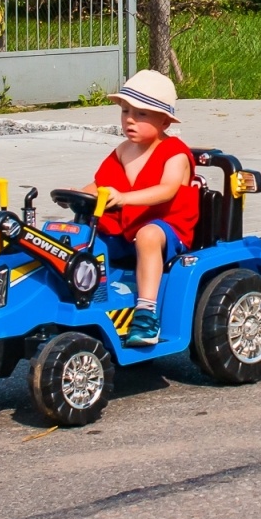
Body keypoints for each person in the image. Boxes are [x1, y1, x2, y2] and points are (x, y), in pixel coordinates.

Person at [81, 69, 197, 347]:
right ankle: (87, 297)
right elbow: (100, 184)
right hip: (127, 226)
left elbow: (167, 190)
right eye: (125, 111)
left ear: (164, 121)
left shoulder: (175, 153)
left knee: (148, 236)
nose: (130, 120)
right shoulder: (124, 150)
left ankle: (146, 314)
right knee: (83, 236)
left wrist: (124, 198)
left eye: (141, 114)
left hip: (168, 228)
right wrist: (77, 194)